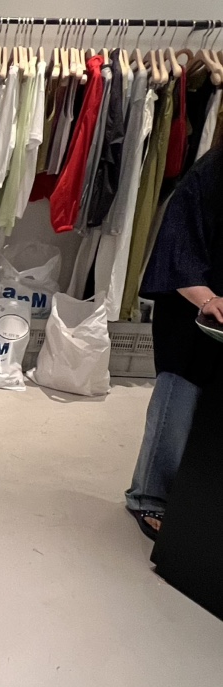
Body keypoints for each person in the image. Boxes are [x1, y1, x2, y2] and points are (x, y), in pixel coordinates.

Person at [126, 145, 223, 540]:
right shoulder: (210, 173)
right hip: (191, 307)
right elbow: (177, 244)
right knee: (176, 403)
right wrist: (208, 299)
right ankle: (148, 496)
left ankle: (189, 498)